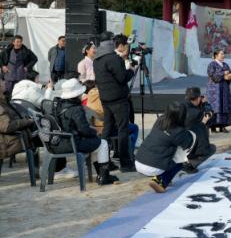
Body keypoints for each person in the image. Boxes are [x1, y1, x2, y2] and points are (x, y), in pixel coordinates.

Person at [54, 79, 119, 185]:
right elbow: (84, 130)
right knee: (102, 143)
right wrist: (95, 132)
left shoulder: (59, 105)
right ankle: (104, 176)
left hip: (60, 141)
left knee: (96, 144)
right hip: (72, 143)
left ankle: (101, 175)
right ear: (77, 94)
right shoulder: (76, 109)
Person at [93, 34, 136, 172]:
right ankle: (125, 163)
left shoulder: (97, 59)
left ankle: (104, 161)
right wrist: (131, 70)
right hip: (118, 99)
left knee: (107, 129)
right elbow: (122, 78)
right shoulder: (113, 58)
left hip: (105, 98)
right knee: (123, 129)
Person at [135, 101, 196, 193]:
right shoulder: (178, 131)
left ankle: (164, 175)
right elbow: (188, 144)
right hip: (153, 167)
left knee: (164, 146)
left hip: (139, 161)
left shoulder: (160, 120)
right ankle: (161, 181)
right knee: (181, 161)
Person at [183, 87, 215, 171]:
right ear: (198, 98)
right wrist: (206, 104)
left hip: (175, 143)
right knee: (211, 148)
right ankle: (189, 165)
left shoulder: (180, 107)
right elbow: (209, 116)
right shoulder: (197, 113)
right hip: (189, 144)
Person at [0, 93, 35, 161]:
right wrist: (27, 121)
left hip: (11, 141)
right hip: (7, 145)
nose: (5, 87)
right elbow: (7, 126)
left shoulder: (4, 101)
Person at [206, 49, 231, 133]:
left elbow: (229, 74)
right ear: (216, 55)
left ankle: (223, 126)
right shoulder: (212, 64)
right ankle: (213, 127)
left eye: (223, 54)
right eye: (221, 54)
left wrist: (230, 76)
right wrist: (223, 73)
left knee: (224, 106)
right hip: (214, 90)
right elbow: (212, 76)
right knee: (215, 107)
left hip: (224, 89)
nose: (223, 56)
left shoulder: (225, 65)